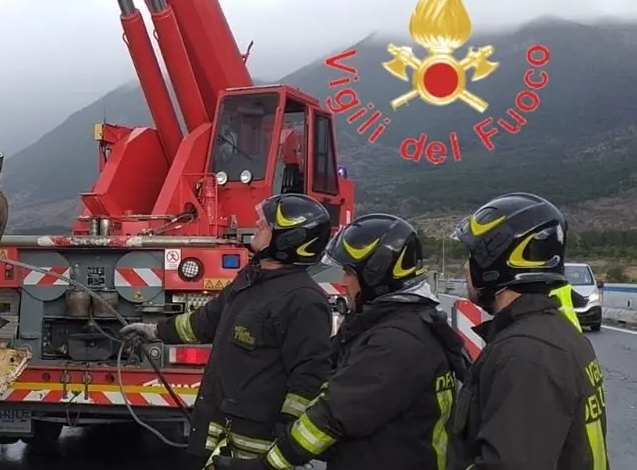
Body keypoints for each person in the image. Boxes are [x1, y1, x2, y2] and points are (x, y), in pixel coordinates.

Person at [211, 213, 472, 470]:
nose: (343, 282)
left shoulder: (396, 343)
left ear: (375, 274)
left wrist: (266, 464)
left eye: (349, 272)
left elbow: (332, 415)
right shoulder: (394, 326)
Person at [120, 193, 334, 467]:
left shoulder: (304, 300)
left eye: (265, 223)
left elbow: (309, 378)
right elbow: (203, 322)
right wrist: (154, 331)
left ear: (288, 240)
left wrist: (285, 436)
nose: (257, 223)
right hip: (215, 429)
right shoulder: (250, 280)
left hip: (254, 444)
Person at [447, 192, 608, 469]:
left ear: (493, 264)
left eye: (472, 256)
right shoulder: (556, 333)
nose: (465, 267)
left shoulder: (525, 354)